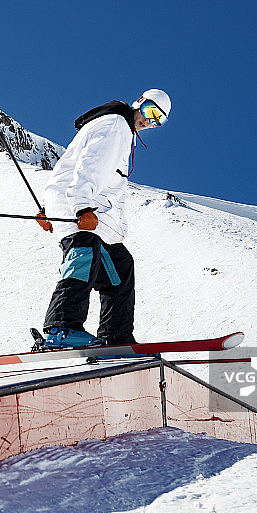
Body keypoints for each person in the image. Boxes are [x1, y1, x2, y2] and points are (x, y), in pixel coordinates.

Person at [35, 89, 171, 349]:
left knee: (120, 266)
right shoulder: (116, 125)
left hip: (87, 211)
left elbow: (73, 167)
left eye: (158, 120)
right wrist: (81, 206)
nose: (150, 121)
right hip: (80, 206)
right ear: (139, 102)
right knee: (83, 253)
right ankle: (61, 327)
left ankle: (116, 337)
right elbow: (90, 165)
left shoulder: (121, 130)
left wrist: (50, 209)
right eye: (150, 111)